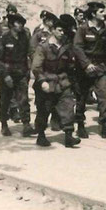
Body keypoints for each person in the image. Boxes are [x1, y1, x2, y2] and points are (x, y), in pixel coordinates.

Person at [31, 17, 81, 148]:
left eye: (64, 30)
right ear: (52, 30)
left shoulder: (66, 46)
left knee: (68, 107)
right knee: (44, 110)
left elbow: (70, 64)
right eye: (59, 30)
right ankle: (41, 135)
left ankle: (69, 136)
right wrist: (42, 81)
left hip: (62, 82)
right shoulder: (43, 47)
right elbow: (36, 67)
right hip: (47, 82)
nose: (62, 33)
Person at [72, 2, 106, 139]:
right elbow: (77, 48)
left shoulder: (105, 29)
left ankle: (104, 125)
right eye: (101, 12)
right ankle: (80, 124)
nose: (104, 14)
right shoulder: (83, 29)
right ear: (93, 14)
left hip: (100, 67)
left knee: (105, 95)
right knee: (82, 97)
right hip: (84, 68)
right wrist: (86, 64)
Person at [0, 13, 36, 137]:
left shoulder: (25, 37)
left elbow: (29, 53)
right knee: (5, 101)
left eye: (22, 23)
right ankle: (4, 124)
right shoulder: (4, 38)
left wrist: (29, 69)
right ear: (11, 25)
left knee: (23, 99)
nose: (21, 25)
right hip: (7, 74)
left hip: (21, 73)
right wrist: (5, 75)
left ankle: (26, 124)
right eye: (18, 23)